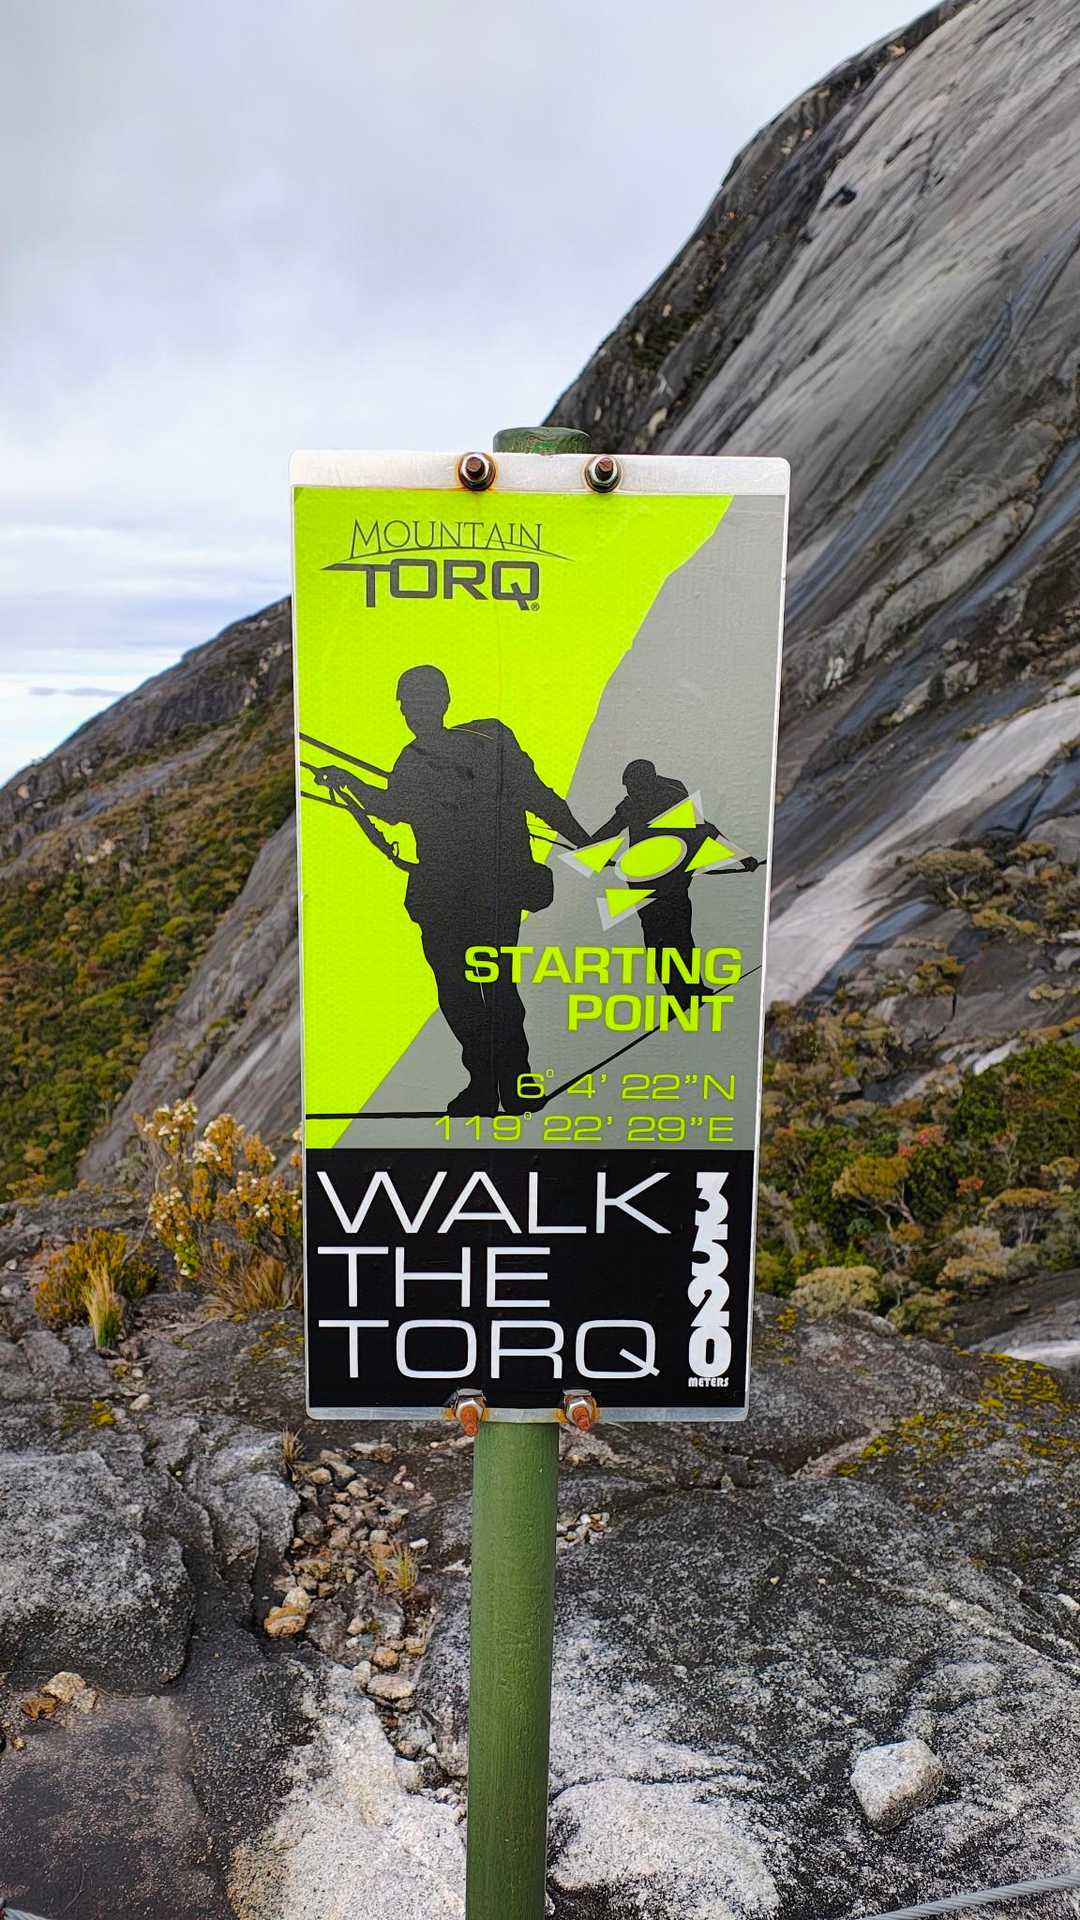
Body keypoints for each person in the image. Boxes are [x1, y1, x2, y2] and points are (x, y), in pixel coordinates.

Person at [322, 665, 587, 1115]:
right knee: (489, 984)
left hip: (450, 895)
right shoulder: (484, 747)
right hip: (484, 893)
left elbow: (391, 808)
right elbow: (540, 799)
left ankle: (494, 1085)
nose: (409, 713)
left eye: (412, 703)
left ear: (437, 703)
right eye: (407, 705)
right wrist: (585, 841)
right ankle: (506, 1084)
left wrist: (348, 783)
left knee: (464, 989)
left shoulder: (429, 756)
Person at [592, 759, 757, 996]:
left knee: (674, 935)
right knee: (662, 937)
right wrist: (587, 847)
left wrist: (743, 856)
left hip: (668, 881)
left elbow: (704, 829)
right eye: (628, 789)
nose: (630, 793)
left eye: (632, 787)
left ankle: (690, 989)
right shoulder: (634, 804)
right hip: (649, 882)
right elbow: (607, 832)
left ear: (647, 782)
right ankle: (680, 993)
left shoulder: (671, 796)